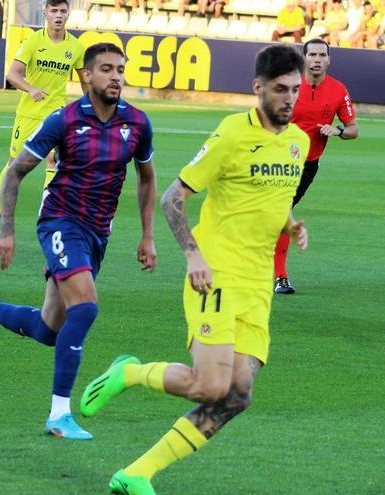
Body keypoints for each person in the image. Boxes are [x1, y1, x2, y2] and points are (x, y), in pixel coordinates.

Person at [78, 45, 310, 495]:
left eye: (296, 90)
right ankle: (130, 373)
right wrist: (193, 254)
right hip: (215, 274)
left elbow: (271, 197)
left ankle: (136, 473)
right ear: (258, 88)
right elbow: (172, 198)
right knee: (209, 386)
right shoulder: (230, 135)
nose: (290, 99)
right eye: (281, 89)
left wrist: (290, 224)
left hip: (258, 284)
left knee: (237, 395)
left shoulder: (297, 141)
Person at [0, 43, 158, 439]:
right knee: (85, 309)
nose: (116, 76)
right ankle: (59, 415)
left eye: (121, 69)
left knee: (48, 330)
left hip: (97, 233)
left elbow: (146, 177)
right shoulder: (64, 120)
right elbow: (16, 171)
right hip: (60, 222)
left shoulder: (137, 123)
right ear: (86, 76)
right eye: (106, 69)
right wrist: (6, 231)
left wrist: (146, 236)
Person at [0, 0, 87, 232]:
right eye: (54, 11)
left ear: (68, 14)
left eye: (62, 11)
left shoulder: (76, 47)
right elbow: (13, 74)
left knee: (53, 160)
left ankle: (47, 216)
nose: (58, 15)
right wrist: (31, 89)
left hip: (55, 115)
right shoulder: (32, 41)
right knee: (14, 166)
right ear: (45, 13)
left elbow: (85, 82)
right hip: (28, 114)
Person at [274, 39, 359, 294]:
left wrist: (339, 130)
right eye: (312, 54)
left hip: (308, 165)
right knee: (281, 210)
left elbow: (354, 129)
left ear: (329, 59)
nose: (317, 59)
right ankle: (280, 276)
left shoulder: (338, 90)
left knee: (280, 213)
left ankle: (269, 269)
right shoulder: (289, 85)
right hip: (278, 160)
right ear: (304, 58)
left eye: (322, 55)